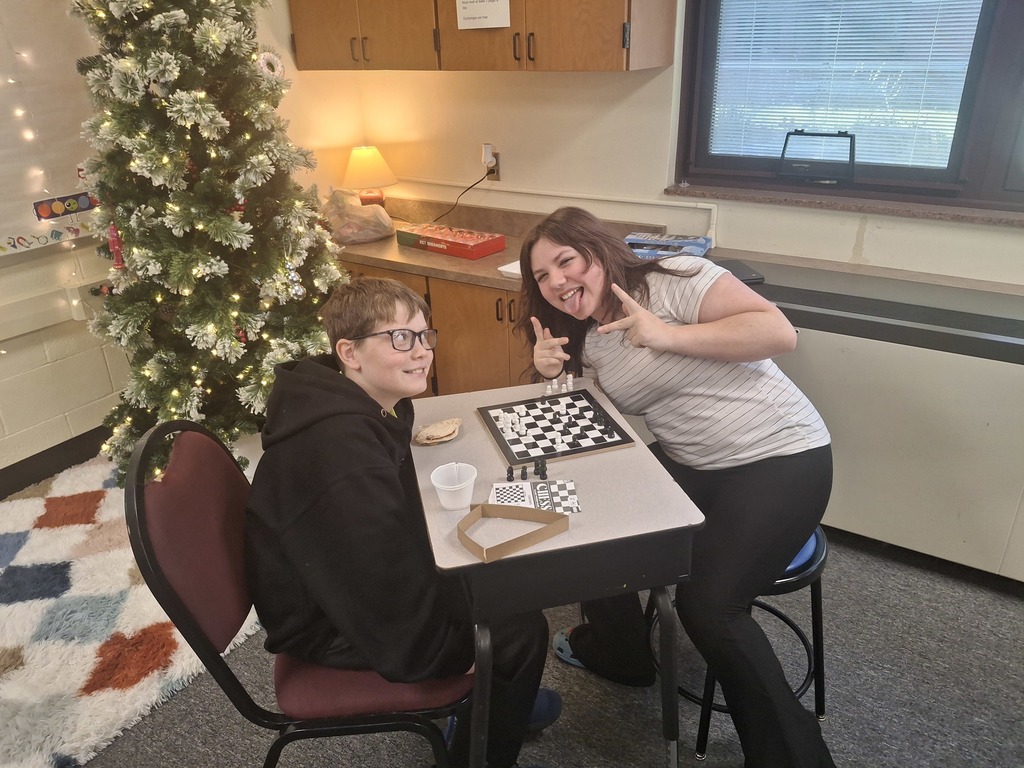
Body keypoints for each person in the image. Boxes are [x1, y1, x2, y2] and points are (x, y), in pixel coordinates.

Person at [515, 207, 835, 768]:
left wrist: (666, 334)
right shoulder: (585, 336)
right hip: (691, 459)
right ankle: (621, 654)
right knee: (593, 521)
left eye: (566, 262)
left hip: (780, 456)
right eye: (542, 277)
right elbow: (586, 426)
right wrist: (551, 376)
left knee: (711, 608)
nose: (558, 282)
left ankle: (797, 757)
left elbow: (777, 332)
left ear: (597, 251)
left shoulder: (675, 279)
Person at [246, 276, 560, 768]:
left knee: (494, 582)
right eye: (399, 338)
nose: (421, 352)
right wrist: (457, 649)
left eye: (423, 335)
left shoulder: (347, 402)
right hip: (328, 624)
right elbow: (381, 593)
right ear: (349, 353)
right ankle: (483, 738)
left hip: (343, 587)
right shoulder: (342, 454)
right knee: (520, 628)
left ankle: (499, 703)